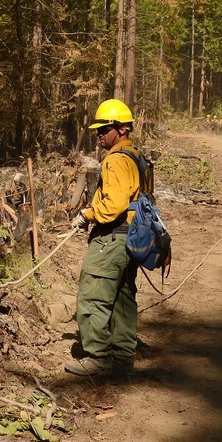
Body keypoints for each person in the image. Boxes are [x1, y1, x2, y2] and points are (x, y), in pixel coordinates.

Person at [67, 98, 148, 377]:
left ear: (122, 129)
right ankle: (123, 359)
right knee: (123, 298)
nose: (99, 134)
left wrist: (87, 215)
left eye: (105, 128)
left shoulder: (114, 160)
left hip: (111, 239)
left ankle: (98, 357)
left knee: (93, 296)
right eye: (98, 129)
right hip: (131, 238)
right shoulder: (136, 156)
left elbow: (113, 206)